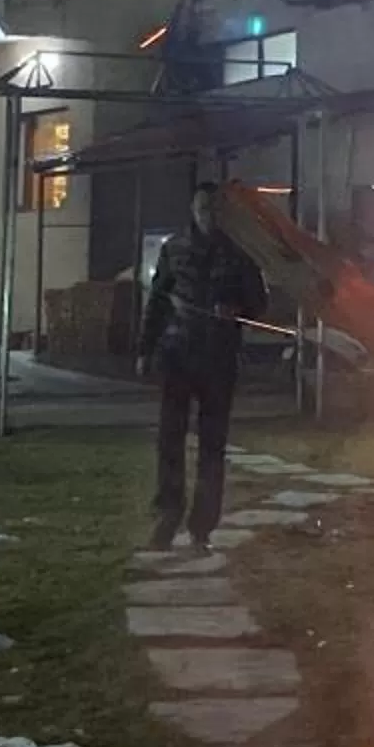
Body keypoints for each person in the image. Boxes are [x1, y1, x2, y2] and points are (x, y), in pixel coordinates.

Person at [138, 181, 268, 549]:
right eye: (202, 210)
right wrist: (145, 349)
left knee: (212, 445)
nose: (208, 216)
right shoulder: (175, 249)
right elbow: (157, 302)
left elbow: (258, 303)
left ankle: (202, 526)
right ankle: (167, 515)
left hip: (218, 358)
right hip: (177, 355)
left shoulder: (239, 253)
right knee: (170, 440)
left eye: (214, 210)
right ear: (193, 211)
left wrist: (236, 310)